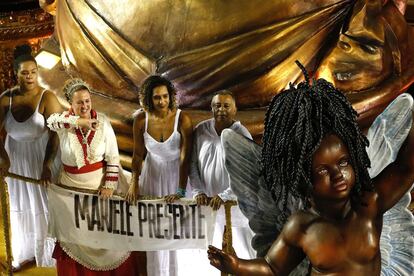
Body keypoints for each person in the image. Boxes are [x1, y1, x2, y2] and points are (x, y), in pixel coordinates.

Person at [207, 64, 414, 275]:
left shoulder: (369, 203)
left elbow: (407, 167)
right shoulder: (302, 226)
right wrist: (237, 265)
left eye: (343, 162)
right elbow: (271, 268)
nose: (337, 175)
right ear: (302, 177)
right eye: (323, 170)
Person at [47, 78, 138, 275]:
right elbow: (50, 121)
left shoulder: (103, 122)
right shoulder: (64, 123)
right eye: (79, 102)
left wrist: (110, 185)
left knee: (103, 236)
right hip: (70, 192)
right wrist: (78, 121)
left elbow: (113, 157)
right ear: (71, 103)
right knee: (76, 238)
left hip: (99, 189)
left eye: (87, 101)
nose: (84, 105)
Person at [0, 44, 61, 269]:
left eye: (33, 72)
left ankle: (53, 254)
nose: (30, 77)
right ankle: (25, 252)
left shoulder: (47, 97)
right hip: (15, 157)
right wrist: (4, 159)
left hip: (42, 156)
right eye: (24, 73)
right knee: (20, 204)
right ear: (16, 74)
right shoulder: (6, 99)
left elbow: (55, 134)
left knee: (45, 204)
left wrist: (47, 165)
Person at [125, 75, 193, 276]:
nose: (162, 102)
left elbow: (185, 159)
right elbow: (138, 155)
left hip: (177, 175)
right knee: (155, 229)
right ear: (149, 99)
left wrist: (180, 191)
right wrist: (133, 183)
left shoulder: (183, 119)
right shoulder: (140, 120)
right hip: (152, 175)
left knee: (178, 229)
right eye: (157, 98)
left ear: (171, 97)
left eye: (165, 96)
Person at [186, 90, 255, 274]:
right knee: (211, 254)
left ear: (235, 109)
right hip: (209, 206)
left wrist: (225, 196)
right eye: (217, 105)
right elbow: (192, 165)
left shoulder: (241, 133)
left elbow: (246, 173)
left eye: (226, 106)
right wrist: (198, 191)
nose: (221, 110)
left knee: (243, 251)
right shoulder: (201, 130)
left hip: (235, 207)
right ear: (211, 108)